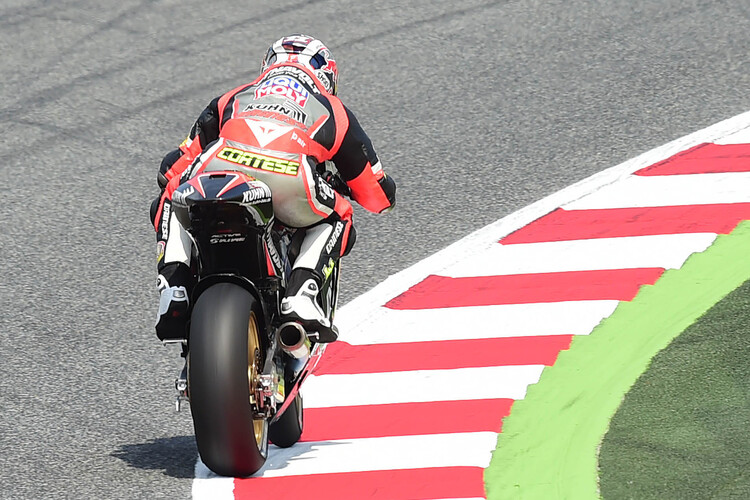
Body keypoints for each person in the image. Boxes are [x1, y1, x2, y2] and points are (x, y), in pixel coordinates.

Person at [151, 34, 396, 344]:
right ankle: (301, 294)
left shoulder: (235, 96)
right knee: (340, 215)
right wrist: (352, 184)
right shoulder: (332, 109)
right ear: (327, 78)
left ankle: (174, 286)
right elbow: (378, 197)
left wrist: (174, 174)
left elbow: (170, 167)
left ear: (267, 66)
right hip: (289, 180)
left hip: (219, 168)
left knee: (173, 195)